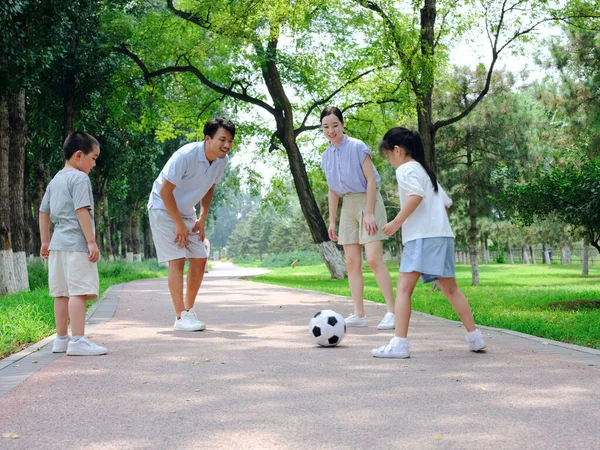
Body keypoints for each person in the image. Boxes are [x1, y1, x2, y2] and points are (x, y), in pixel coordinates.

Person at [372, 127, 487, 358]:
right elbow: (444, 203)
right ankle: (475, 337)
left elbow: (416, 196)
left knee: (403, 289)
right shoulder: (427, 172)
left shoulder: (405, 169)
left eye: (388, 156)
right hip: (442, 235)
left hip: (422, 237)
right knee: (451, 289)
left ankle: (400, 344)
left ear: (397, 150)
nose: (390, 161)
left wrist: (396, 222)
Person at [148, 117, 235, 331]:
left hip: (187, 210)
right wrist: (178, 223)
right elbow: (165, 191)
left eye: (230, 141)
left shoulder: (222, 160)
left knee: (199, 258)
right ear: (208, 138)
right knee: (177, 259)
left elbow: (210, 188)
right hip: (163, 207)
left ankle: (188, 311)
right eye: (222, 139)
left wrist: (202, 218)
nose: (227, 145)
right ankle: (180, 317)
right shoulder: (185, 156)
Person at [320, 106, 396, 329]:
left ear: (343, 124)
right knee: (352, 263)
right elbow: (333, 190)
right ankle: (359, 314)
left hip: (367, 200)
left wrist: (370, 212)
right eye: (326, 127)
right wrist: (332, 220)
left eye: (335, 125)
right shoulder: (326, 156)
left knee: (373, 259)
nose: (331, 130)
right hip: (347, 205)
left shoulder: (357, 147)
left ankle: (392, 312)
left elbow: (371, 180)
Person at [39, 131, 107, 356]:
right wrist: (91, 242)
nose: (94, 164)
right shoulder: (80, 178)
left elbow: (43, 211)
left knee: (62, 293)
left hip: (58, 245)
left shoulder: (55, 180)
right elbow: (81, 210)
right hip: (77, 245)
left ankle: (61, 339)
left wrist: (45, 242)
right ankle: (77, 340)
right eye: (94, 158)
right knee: (78, 292)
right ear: (79, 155)